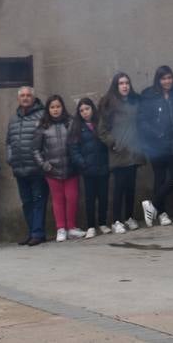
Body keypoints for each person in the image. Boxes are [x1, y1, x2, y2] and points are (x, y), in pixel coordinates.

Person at [137, 65, 173, 227]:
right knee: (159, 178)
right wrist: (157, 134)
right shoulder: (148, 95)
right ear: (158, 80)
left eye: (169, 78)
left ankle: (152, 205)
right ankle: (162, 213)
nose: (167, 81)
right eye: (164, 78)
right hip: (156, 145)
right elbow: (142, 120)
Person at [96, 72, 143, 234]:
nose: (125, 86)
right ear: (116, 86)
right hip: (119, 153)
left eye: (127, 83)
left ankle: (129, 217)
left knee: (131, 187)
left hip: (134, 152)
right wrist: (113, 143)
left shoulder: (135, 101)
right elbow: (102, 131)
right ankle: (116, 221)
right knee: (119, 188)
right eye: (121, 83)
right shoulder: (108, 104)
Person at [34, 94, 82, 242]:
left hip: (70, 168)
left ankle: (71, 228)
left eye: (58, 106)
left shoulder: (71, 122)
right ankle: (61, 229)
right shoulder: (42, 126)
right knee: (58, 199)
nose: (55, 110)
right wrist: (44, 164)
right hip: (52, 170)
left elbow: (78, 143)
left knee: (72, 198)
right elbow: (36, 150)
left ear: (63, 107)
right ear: (48, 109)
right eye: (52, 107)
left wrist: (77, 161)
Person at [7, 86, 47, 246]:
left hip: (37, 168)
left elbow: (47, 139)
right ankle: (32, 233)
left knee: (38, 200)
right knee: (27, 202)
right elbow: (8, 142)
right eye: (22, 96)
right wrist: (10, 158)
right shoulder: (13, 119)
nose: (25, 98)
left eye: (28, 95)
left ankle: (38, 233)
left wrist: (43, 161)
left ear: (33, 98)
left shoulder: (42, 115)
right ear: (18, 99)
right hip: (19, 167)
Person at [68, 97, 111, 239]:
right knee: (90, 199)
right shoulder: (76, 128)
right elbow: (73, 149)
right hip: (88, 169)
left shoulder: (100, 124)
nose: (85, 112)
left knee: (103, 196)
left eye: (87, 109)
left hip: (103, 166)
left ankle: (103, 223)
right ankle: (91, 226)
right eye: (81, 110)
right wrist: (83, 163)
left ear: (92, 109)